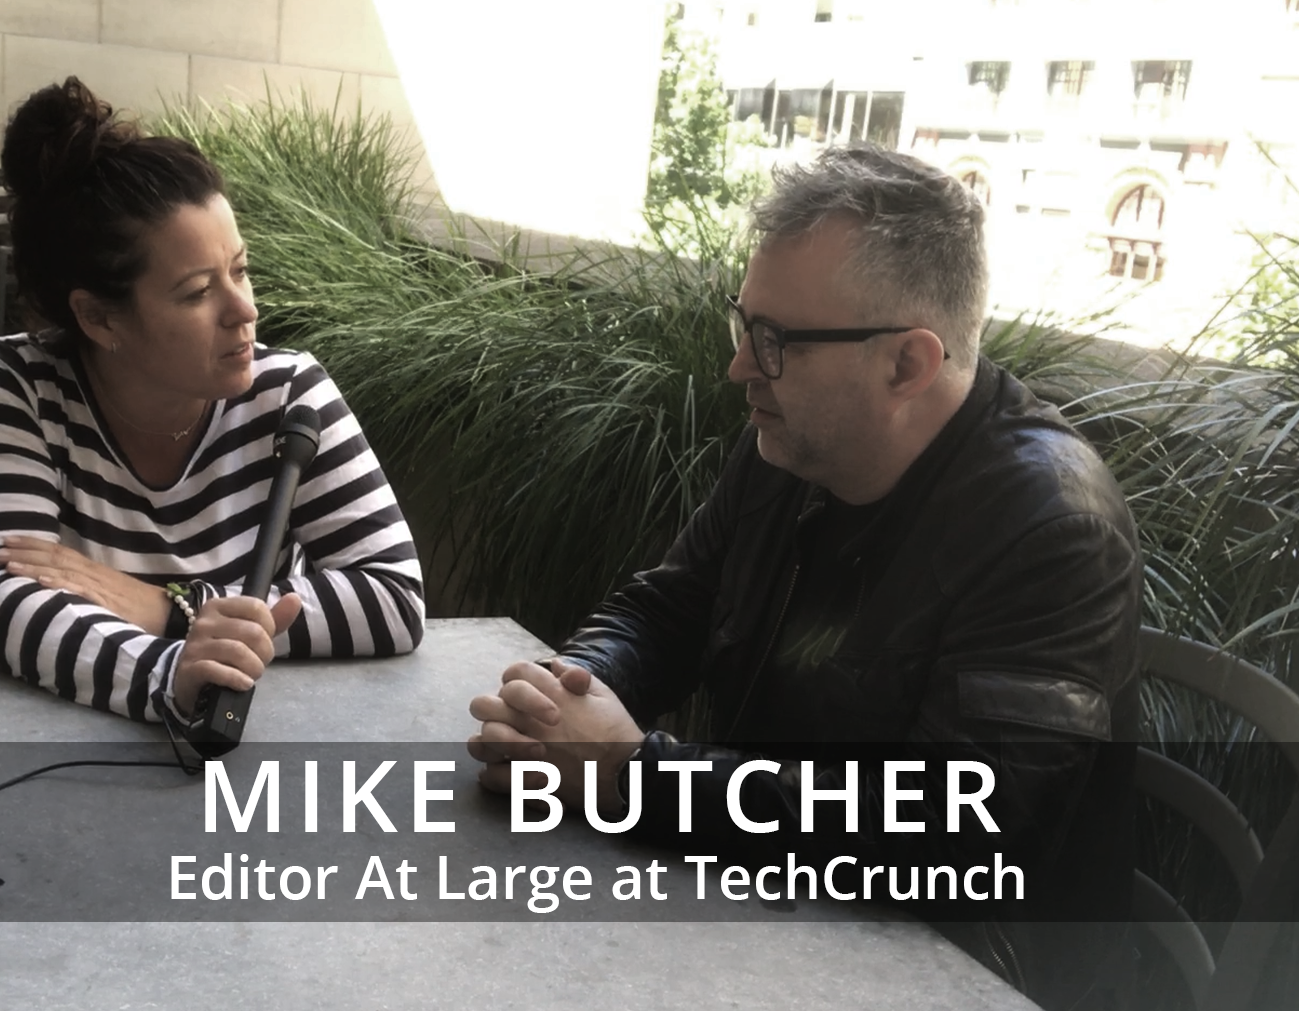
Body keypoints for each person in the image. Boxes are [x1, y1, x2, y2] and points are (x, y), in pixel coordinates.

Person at [468, 145, 1141, 1009]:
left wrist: (633, 772)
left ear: (909, 364)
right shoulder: (788, 446)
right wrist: (561, 695)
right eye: (743, 323)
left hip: (958, 973)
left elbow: (951, 835)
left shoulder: (1054, 527)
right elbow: (671, 604)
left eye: (777, 340)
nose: (740, 367)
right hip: (768, 924)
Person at [0, 77, 425, 724]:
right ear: (99, 318)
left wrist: (170, 608)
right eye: (199, 292)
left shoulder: (290, 393)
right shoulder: (19, 387)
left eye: (241, 270)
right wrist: (171, 673)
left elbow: (393, 595)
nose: (245, 310)